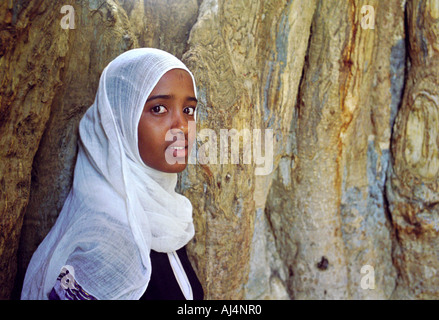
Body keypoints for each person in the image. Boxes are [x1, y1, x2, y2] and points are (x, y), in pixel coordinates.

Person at [21, 48, 204, 300]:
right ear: (119, 122)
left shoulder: (166, 219)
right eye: (159, 109)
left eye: (189, 110)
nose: (182, 126)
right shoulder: (104, 244)